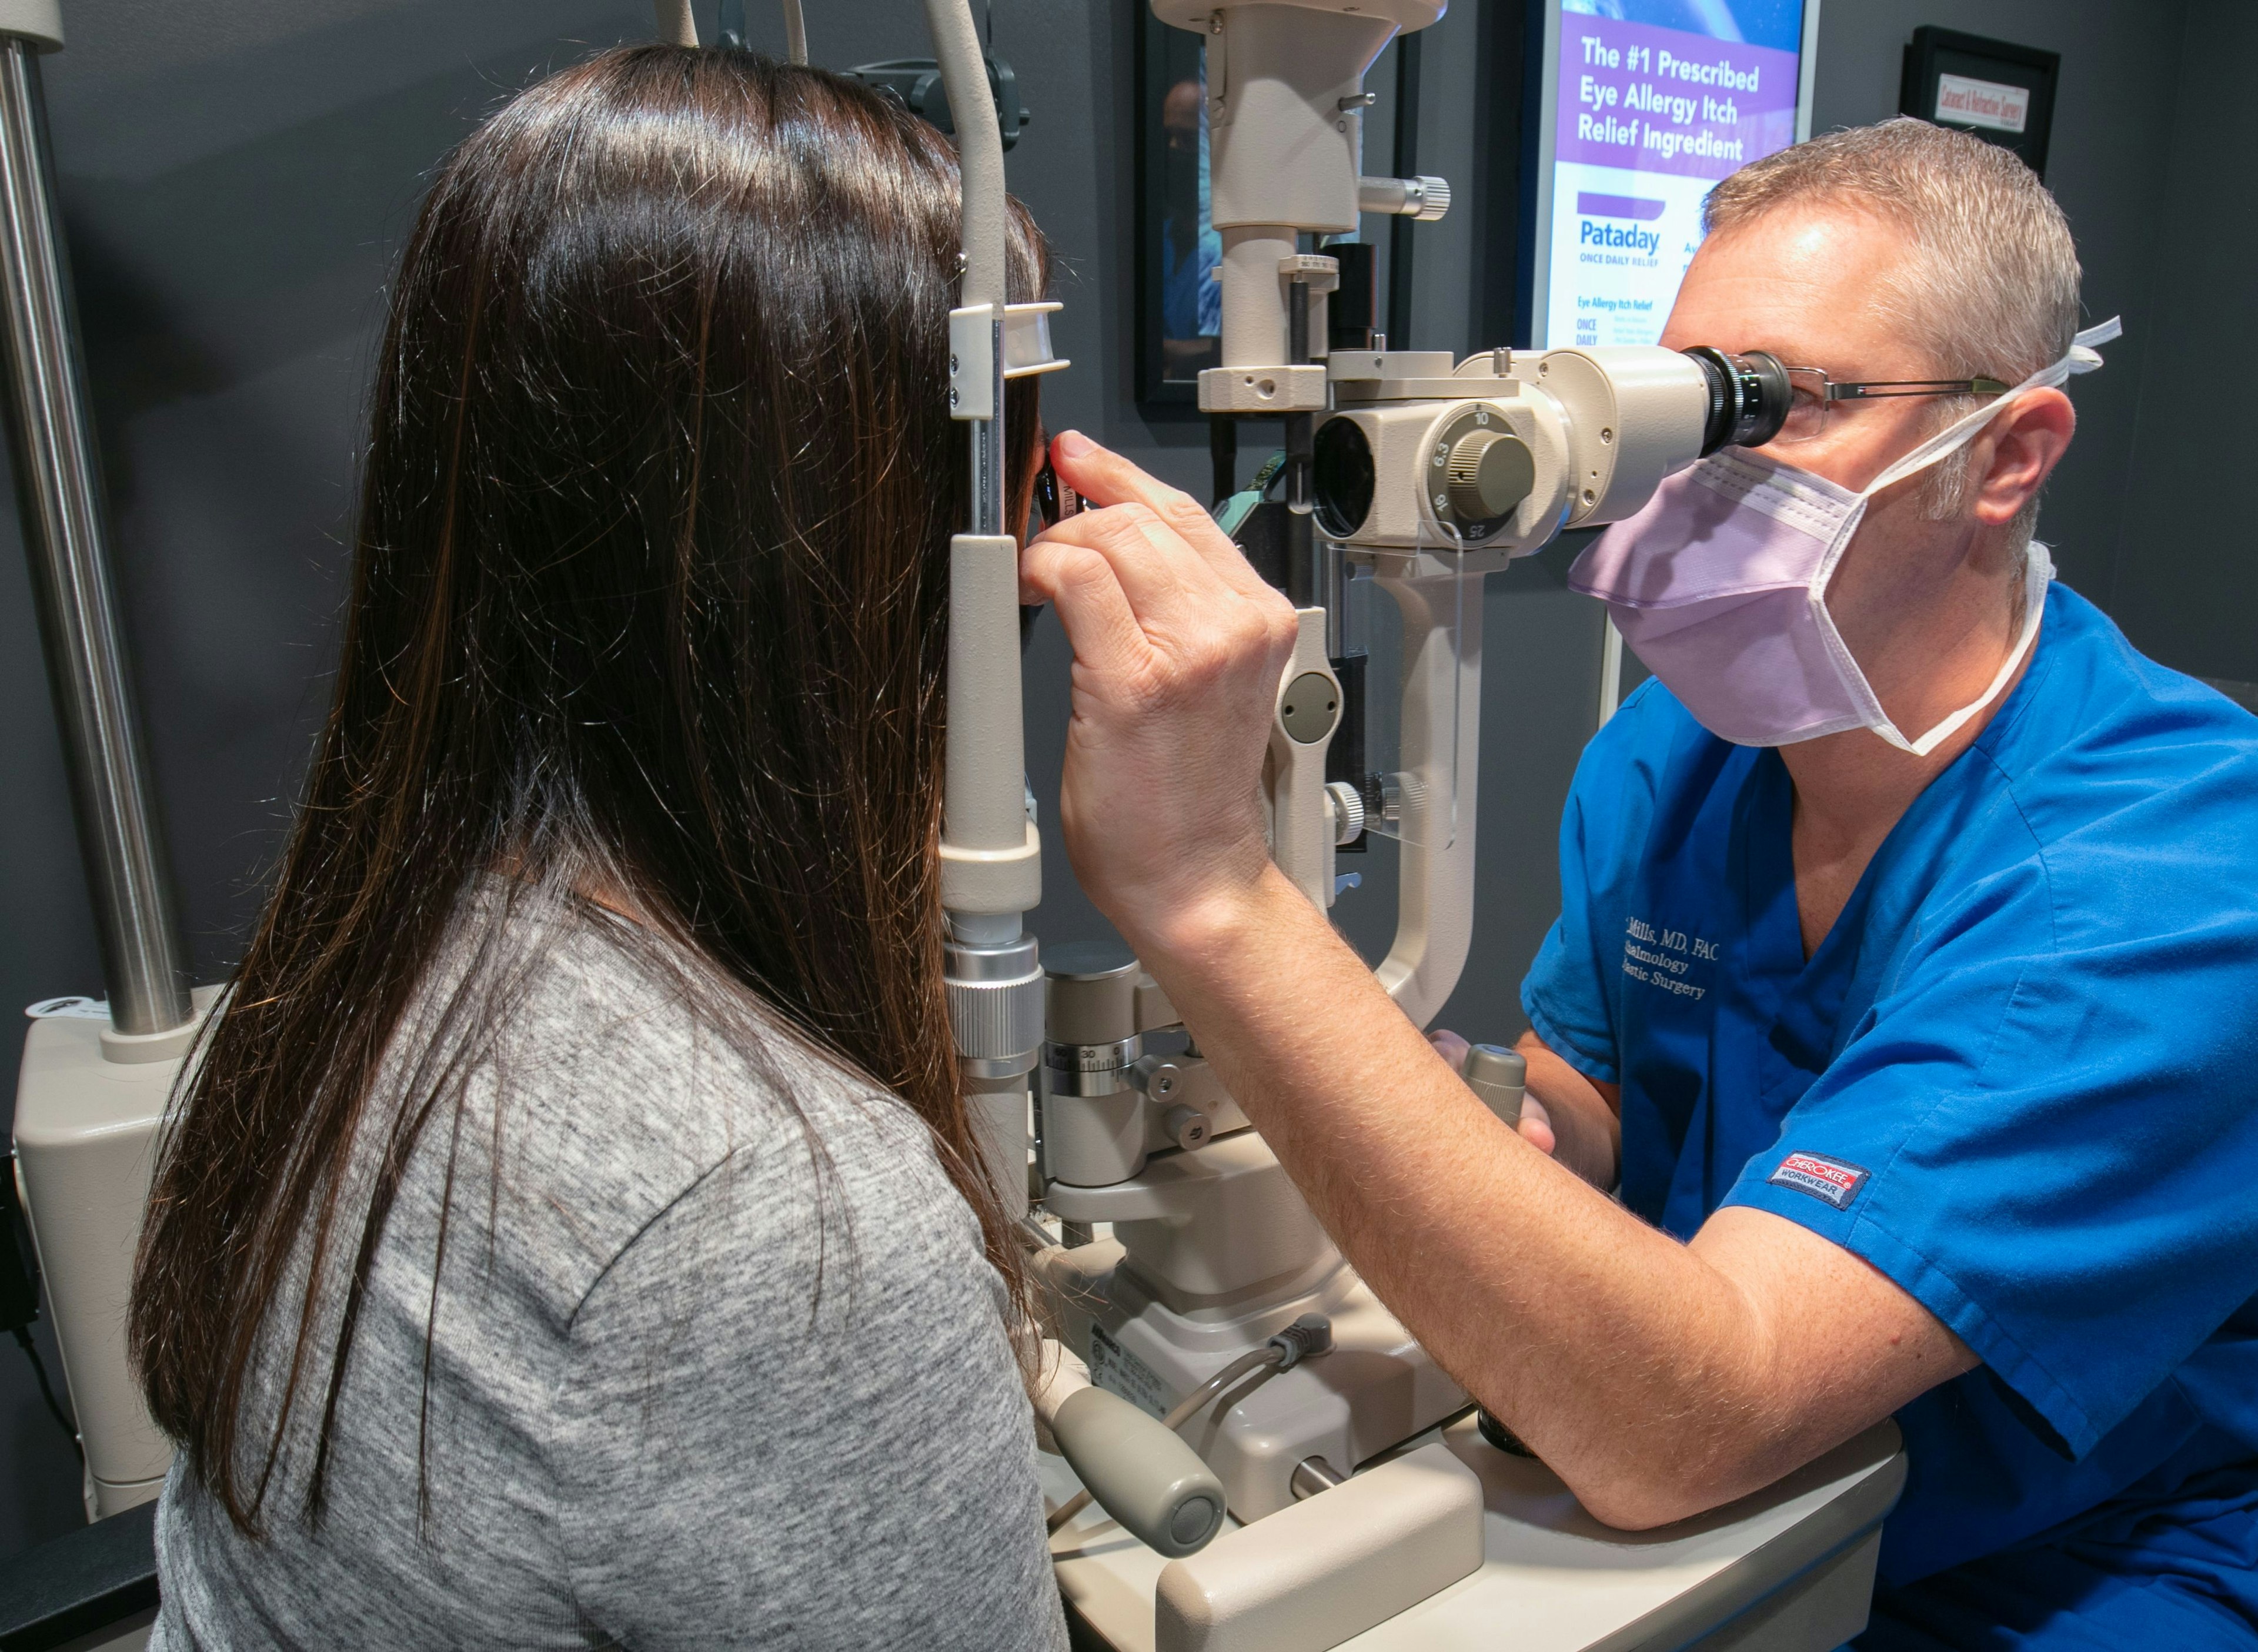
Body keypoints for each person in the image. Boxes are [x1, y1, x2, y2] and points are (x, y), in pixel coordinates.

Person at [1024, 120, 2258, 1647]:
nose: (1696, 476)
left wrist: (1215, 898)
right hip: (1720, 1496)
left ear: (2006, 454)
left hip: (2061, 1570)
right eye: (1690, 399)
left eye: (1779, 402)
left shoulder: (2169, 884)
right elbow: (1591, 1093)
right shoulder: (1677, 752)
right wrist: (1466, 1126)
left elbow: (1698, 1414)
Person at [129, 47, 1067, 1651]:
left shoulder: (362, 965)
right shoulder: (778, 1226)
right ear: (878, 558)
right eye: (1018, 488)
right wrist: (1208, 882)